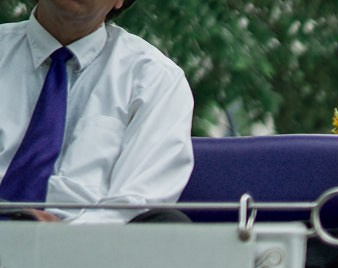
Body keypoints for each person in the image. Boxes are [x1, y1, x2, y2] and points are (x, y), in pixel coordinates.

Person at [0, 1, 193, 223]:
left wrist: (63, 236)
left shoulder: (154, 77)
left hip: (92, 238)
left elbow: (138, 200)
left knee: (167, 222)